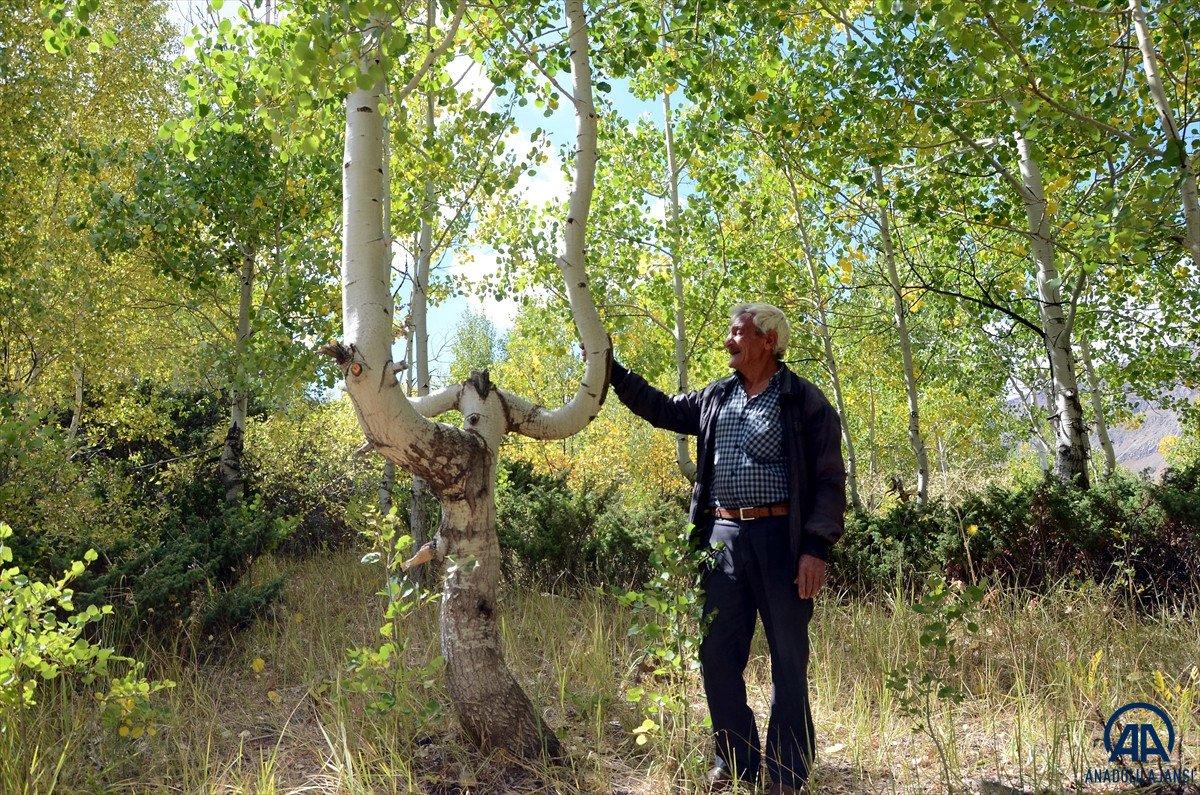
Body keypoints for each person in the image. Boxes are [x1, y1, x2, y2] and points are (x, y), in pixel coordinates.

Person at [608, 303, 847, 793]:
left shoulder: (803, 400)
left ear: (768, 340)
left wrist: (815, 547)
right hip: (723, 540)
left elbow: (828, 479)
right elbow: (663, 409)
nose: (728, 342)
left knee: (788, 661)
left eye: (737, 333)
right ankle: (736, 762)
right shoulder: (716, 396)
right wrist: (611, 371)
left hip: (783, 542)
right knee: (716, 654)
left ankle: (787, 774)